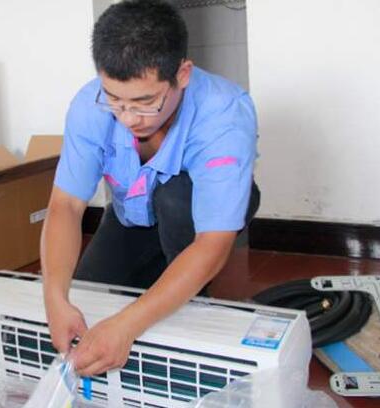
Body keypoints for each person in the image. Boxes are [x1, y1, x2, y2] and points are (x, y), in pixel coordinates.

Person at [40, 0, 260, 377]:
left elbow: (212, 242)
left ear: (183, 74)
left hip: (192, 212)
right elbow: (66, 205)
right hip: (133, 213)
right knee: (90, 296)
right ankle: (164, 280)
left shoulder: (224, 112)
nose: (128, 118)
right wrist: (54, 298)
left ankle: (192, 300)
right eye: (115, 100)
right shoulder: (89, 105)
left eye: (145, 102)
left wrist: (128, 325)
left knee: (175, 200)